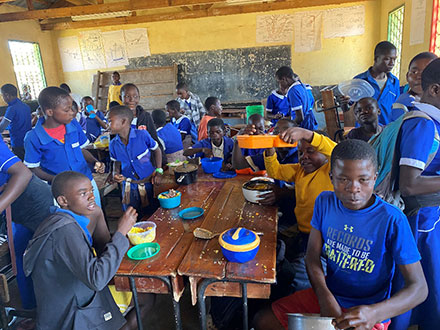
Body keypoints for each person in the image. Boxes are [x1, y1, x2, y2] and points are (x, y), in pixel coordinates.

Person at [254, 139, 428, 330]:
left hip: (367, 309)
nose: (353, 188)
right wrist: (324, 297)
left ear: (375, 177)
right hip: (330, 293)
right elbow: (312, 256)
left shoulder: (392, 219)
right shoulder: (325, 202)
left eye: (363, 179)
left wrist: (374, 313)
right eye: (343, 179)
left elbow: (419, 289)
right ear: (331, 177)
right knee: (263, 321)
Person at [23, 171, 137, 330]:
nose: (91, 197)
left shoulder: (63, 218)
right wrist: (121, 232)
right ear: (63, 201)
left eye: (91, 191)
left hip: (72, 296)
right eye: (83, 194)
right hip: (69, 313)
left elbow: (104, 248)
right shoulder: (64, 231)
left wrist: (120, 239)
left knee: (140, 296)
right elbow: (97, 279)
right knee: (143, 299)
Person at [390, 58, 440, 330]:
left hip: (431, 217)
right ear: (433, 90)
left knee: (430, 282)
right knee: (419, 282)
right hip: (421, 219)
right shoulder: (423, 124)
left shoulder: (433, 122)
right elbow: (409, 184)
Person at [263, 126, 336, 291]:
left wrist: (307, 134)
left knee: (305, 272)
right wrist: (269, 149)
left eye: (311, 151)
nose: (304, 157)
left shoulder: (331, 170)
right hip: (302, 232)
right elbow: (274, 170)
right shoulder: (299, 171)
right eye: (301, 153)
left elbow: (337, 150)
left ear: (325, 154)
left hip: (321, 238)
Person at [23, 86, 105, 206]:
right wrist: (56, 179)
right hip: (61, 191)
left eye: (72, 108)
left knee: (94, 215)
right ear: (50, 112)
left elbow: (80, 149)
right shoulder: (33, 137)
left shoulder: (73, 125)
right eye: (66, 110)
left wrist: (95, 162)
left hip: (86, 182)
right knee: (69, 222)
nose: (72, 113)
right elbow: (33, 168)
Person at [108, 106, 163, 219]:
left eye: (110, 121)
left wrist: (159, 171)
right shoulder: (113, 144)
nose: (107, 124)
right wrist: (115, 173)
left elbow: (157, 150)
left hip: (148, 184)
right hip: (129, 187)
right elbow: (116, 162)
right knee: (132, 216)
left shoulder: (142, 135)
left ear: (123, 121)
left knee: (152, 214)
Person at [354, 41, 400, 125]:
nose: (392, 63)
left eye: (394, 59)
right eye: (387, 59)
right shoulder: (360, 81)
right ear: (376, 59)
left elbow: (395, 109)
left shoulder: (394, 82)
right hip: (364, 132)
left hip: (386, 132)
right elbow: (351, 108)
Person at [120, 83, 166, 166]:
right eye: (127, 96)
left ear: (139, 98)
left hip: (146, 163)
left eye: (135, 96)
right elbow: (115, 145)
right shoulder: (118, 119)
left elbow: (154, 139)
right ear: (121, 98)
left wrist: (161, 165)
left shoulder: (145, 117)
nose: (132, 100)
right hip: (127, 164)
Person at [391, 52, 438, 121]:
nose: (419, 77)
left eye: (426, 72)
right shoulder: (403, 106)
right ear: (407, 76)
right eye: (414, 72)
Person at [275, 66, 317, 130]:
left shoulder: (293, 91)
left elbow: (300, 117)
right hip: (309, 123)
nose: (280, 85)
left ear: (284, 79)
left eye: (279, 82)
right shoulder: (300, 86)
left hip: (303, 127)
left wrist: (288, 128)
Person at [0, 83, 32, 160]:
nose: (2, 98)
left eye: (2, 95)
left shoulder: (11, 108)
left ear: (7, 95)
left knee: (21, 163)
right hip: (28, 140)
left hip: (18, 142)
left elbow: (2, 127)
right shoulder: (25, 106)